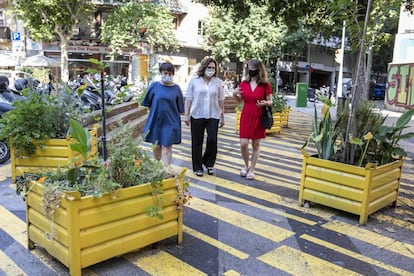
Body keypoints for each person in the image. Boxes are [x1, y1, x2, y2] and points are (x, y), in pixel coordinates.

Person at [184, 57, 225, 176]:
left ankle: (209, 163)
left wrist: (222, 117)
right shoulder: (194, 81)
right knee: (197, 141)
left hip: (213, 114)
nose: (211, 70)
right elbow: (188, 99)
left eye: (213, 68)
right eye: (209, 67)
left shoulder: (218, 82)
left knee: (212, 140)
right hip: (197, 114)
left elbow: (221, 100)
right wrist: (186, 115)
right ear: (204, 67)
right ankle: (197, 167)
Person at [232, 59, 272, 180]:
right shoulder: (244, 83)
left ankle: (252, 169)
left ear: (259, 70)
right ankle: (246, 165)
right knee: (243, 144)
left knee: (256, 144)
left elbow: (271, 101)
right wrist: (234, 94)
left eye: (253, 68)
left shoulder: (265, 85)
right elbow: (240, 100)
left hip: (259, 115)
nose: (251, 71)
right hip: (246, 114)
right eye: (249, 68)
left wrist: (265, 103)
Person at [142, 62, 184, 165]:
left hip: (171, 122)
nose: (167, 76)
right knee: (156, 145)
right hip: (156, 121)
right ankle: (157, 165)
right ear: (161, 73)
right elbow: (147, 103)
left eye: (170, 74)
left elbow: (180, 108)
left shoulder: (176, 89)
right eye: (165, 73)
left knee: (167, 148)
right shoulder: (154, 86)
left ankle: (165, 171)